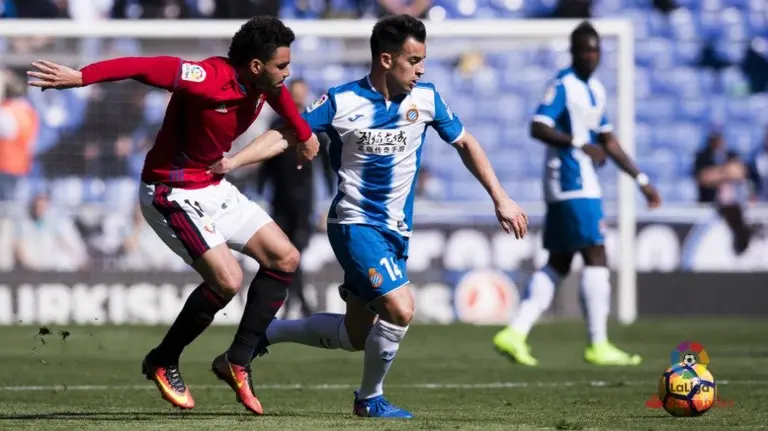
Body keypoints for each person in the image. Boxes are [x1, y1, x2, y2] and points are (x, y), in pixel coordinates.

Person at [211, 14, 529, 418]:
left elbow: (466, 143)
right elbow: (285, 134)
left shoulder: (427, 99)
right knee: (401, 309)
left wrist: (501, 198)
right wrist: (233, 162)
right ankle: (369, 399)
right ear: (385, 59)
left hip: (396, 231)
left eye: (423, 60)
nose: (421, 69)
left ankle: (260, 335)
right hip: (354, 224)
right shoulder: (342, 101)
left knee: (355, 335)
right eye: (413, 60)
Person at [27, 16, 320, 414]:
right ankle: (163, 360)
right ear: (255, 66)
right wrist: (82, 77)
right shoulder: (208, 77)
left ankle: (237, 359)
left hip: (212, 183)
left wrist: (303, 132)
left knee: (285, 258)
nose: (287, 73)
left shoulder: (264, 83)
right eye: (281, 65)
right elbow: (145, 66)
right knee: (228, 280)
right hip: (171, 191)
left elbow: (280, 97)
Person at [492, 21, 661, 367]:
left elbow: (608, 140)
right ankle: (598, 343)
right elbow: (538, 126)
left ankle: (515, 332)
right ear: (573, 52)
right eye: (584, 50)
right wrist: (579, 143)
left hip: (580, 184)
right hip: (570, 182)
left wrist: (640, 179)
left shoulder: (595, 89)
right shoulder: (563, 85)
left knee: (560, 261)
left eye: (595, 50)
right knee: (596, 253)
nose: (590, 56)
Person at [258, 78, 334, 318]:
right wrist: (260, 194)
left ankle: (295, 304)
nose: (298, 97)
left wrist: (327, 204)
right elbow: (266, 165)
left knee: (295, 253)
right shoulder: (277, 124)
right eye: (295, 93)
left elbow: (326, 168)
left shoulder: (315, 126)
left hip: (304, 204)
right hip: (279, 201)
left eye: (302, 92)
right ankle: (300, 304)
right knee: (284, 254)